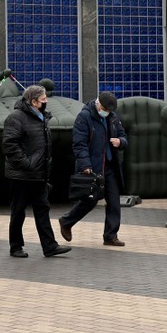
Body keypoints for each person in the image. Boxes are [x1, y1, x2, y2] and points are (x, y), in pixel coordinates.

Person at [3, 85, 71, 258]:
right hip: (21, 175)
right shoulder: (16, 118)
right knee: (18, 211)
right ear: (33, 102)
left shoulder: (42, 118)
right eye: (43, 100)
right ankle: (15, 246)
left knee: (42, 209)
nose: (46, 102)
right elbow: (10, 146)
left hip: (39, 174)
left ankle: (50, 246)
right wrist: (26, 164)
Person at [59, 91, 128, 246]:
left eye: (110, 110)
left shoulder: (113, 117)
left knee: (114, 202)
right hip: (93, 166)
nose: (107, 112)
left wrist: (120, 141)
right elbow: (79, 144)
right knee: (90, 201)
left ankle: (110, 235)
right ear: (98, 104)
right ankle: (66, 221)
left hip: (110, 166)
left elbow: (124, 135)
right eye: (105, 109)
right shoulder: (84, 117)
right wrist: (85, 165)